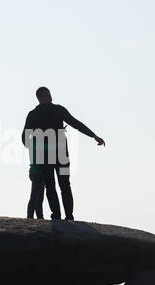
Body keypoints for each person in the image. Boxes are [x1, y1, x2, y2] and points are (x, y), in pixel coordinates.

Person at [22, 87, 105, 220]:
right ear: (45, 96)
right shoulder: (58, 110)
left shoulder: (33, 114)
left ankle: (56, 216)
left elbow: (25, 140)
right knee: (65, 185)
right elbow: (76, 123)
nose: (51, 96)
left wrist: (38, 143)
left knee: (50, 186)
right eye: (49, 94)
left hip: (44, 156)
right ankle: (69, 216)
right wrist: (94, 136)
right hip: (61, 153)